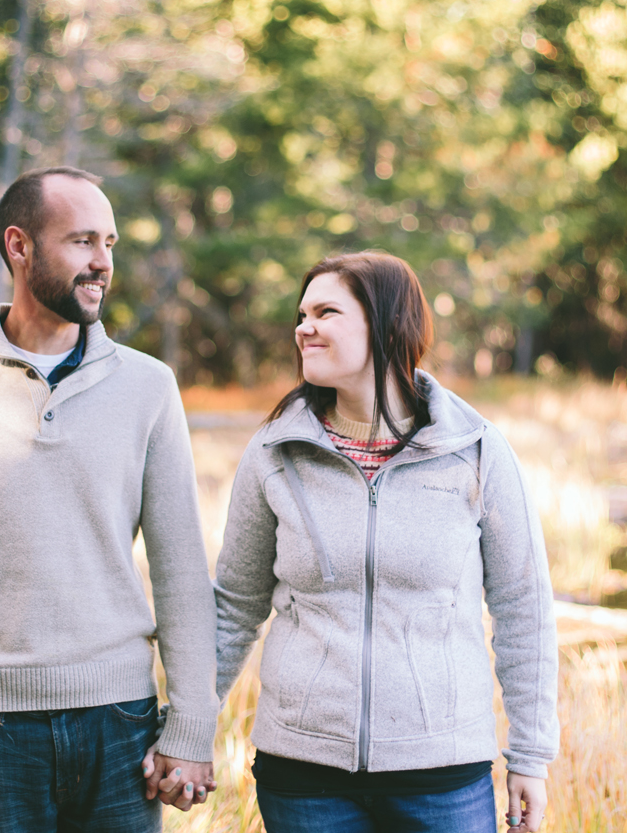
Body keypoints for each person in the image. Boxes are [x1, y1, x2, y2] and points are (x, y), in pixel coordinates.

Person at [0, 166, 218, 833]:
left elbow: (180, 569)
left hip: (122, 729)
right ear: (19, 247)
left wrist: (192, 725)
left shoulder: (148, 385)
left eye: (109, 243)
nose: (102, 263)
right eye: (82, 241)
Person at [210, 251, 559, 832]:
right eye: (302, 313)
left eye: (326, 312)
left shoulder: (475, 451)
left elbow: (524, 608)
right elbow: (233, 606)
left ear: (386, 325)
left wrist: (530, 755)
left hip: (442, 774)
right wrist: (190, 728)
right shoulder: (275, 452)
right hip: (304, 775)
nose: (304, 327)